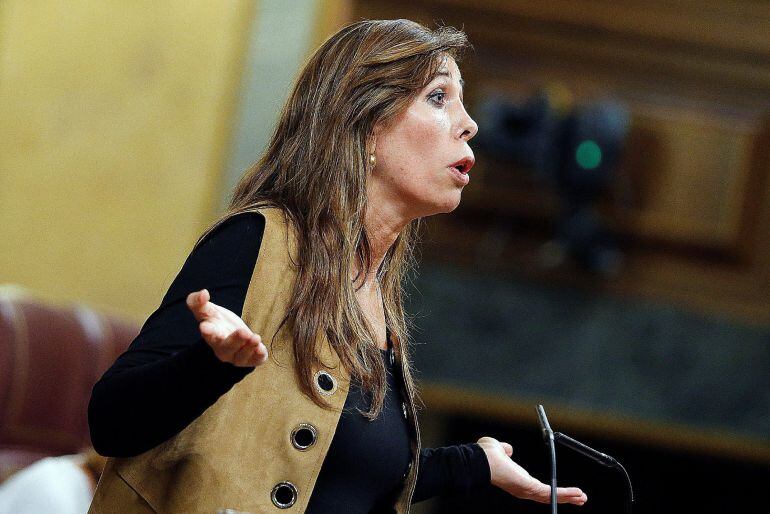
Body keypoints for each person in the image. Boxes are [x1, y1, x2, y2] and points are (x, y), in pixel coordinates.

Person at [87, 19, 587, 513]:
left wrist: (473, 464)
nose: (470, 123)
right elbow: (111, 422)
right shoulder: (259, 242)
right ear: (366, 128)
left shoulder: (375, 293)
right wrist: (209, 366)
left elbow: (340, 478)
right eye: (438, 97)